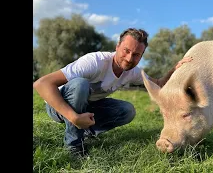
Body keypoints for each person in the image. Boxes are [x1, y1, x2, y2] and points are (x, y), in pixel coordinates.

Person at [33, 28, 193, 157]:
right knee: (80, 84)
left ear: (141, 56)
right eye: (126, 50)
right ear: (117, 47)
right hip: (58, 106)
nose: (130, 58)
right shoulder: (94, 62)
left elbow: (158, 84)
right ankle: (74, 145)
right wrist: (73, 116)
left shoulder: (133, 72)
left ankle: (87, 131)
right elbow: (42, 84)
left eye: (136, 55)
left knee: (127, 110)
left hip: (86, 106)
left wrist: (175, 69)